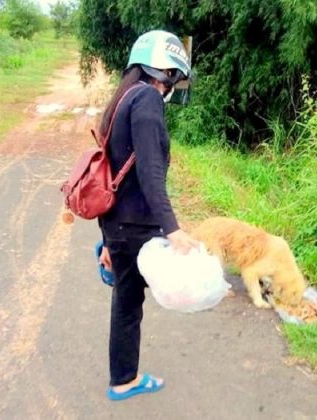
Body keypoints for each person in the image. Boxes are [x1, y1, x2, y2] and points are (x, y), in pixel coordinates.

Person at [96, 30, 200, 400]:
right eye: (175, 77)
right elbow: (150, 173)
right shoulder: (147, 101)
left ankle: (122, 377)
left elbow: (108, 174)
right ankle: (123, 380)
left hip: (116, 224)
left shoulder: (120, 100)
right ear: (167, 73)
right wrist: (172, 229)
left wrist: (107, 240)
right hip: (132, 224)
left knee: (126, 300)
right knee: (130, 304)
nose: (174, 86)